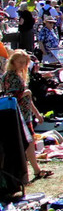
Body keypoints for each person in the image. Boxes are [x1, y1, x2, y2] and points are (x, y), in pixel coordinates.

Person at [1, 49, 52, 181]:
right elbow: (11, 97)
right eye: (20, 62)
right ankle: (31, 171)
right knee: (26, 143)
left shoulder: (19, 75)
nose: (23, 65)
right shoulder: (10, 76)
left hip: (25, 113)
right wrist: (26, 92)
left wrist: (36, 113)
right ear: (13, 62)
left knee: (29, 142)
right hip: (17, 114)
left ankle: (35, 170)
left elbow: (27, 99)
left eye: (25, 63)